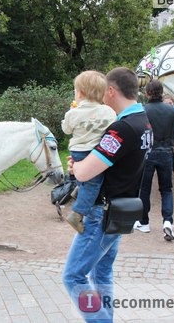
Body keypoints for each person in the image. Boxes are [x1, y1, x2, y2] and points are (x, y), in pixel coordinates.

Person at [63, 67, 152, 322]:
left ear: (111, 91)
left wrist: (76, 167)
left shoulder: (122, 129)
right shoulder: (144, 122)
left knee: (73, 277)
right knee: (102, 273)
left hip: (101, 214)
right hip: (120, 210)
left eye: (104, 92)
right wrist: (82, 166)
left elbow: (84, 172)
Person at [61, 70, 117, 233]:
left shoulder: (73, 113)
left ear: (80, 93)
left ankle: (80, 189)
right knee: (95, 183)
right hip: (95, 152)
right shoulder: (108, 111)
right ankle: (77, 213)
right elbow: (113, 126)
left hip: (78, 152)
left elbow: (66, 130)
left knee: (89, 181)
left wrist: (70, 114)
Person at [135, 81, 174, 241]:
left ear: (147, 93)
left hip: (147, 153)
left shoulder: (143, 110)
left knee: (144, 189)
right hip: (166, 152)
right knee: (166, 189)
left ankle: (144, 222)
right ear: (161, 92)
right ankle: (168, 221)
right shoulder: (171, 110)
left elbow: (140, 131)